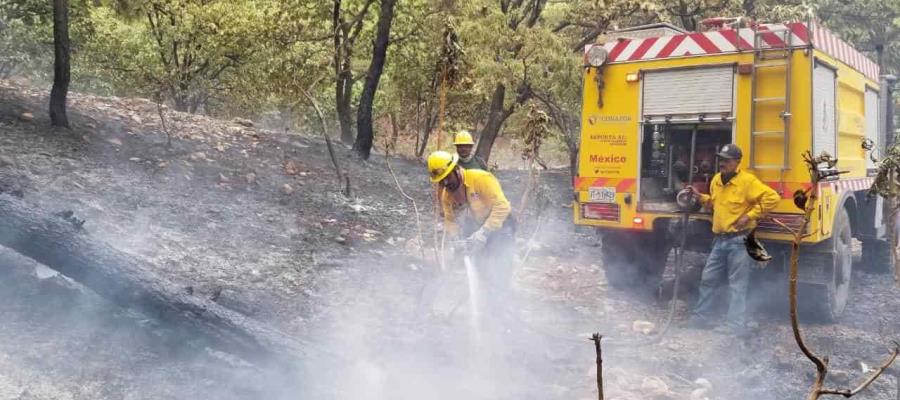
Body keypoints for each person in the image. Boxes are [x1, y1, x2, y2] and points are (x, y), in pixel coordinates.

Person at [685, 144, 780, 335]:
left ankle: (734, 325)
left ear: (737, 162)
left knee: (737, 285)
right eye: (721, 159)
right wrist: (699, 197)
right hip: (720, 240)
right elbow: (715, 203)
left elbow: (773, 197)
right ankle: (700, 319)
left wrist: (751, 215)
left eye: (727, 160)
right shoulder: (717, 180)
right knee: (708, 279)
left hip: (739, 241)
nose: (723, 163)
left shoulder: (747, 181)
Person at [427, 150, 516, 305]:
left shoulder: (481, 179)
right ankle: (486, 301)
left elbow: (502, 206)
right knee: (482, 267)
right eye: (442, 181)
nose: (446, 184)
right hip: (477, 225)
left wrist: (484, 233)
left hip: (501, 225)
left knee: (499, 265)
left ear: (456, 169)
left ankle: (503, 306)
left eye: (447, 178)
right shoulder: (447, 195)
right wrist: (456, 239)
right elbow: (450, 220)